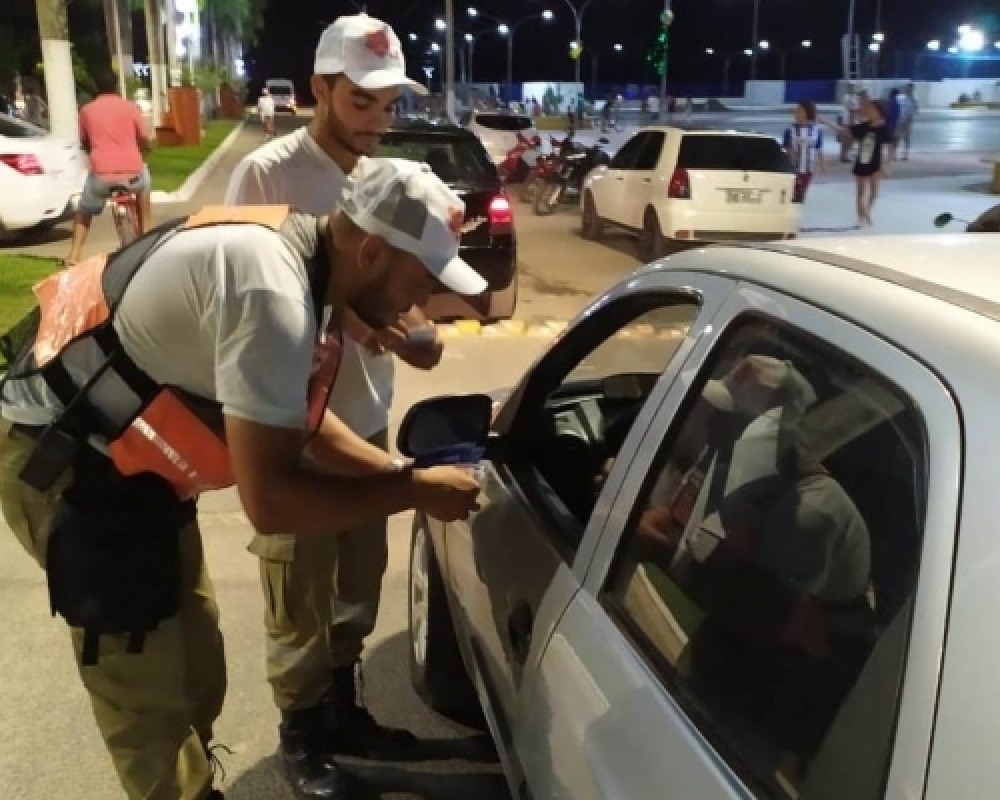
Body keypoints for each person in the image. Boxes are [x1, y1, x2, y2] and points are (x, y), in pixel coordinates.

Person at [0, 156, 487, 800]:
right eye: (422, 277)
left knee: (196, 661)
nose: (422, 301)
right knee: (145, 686)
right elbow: (273, 501)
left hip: (131, 466)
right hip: (65, 463)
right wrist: (411, 493)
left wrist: (402, 471)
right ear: (372, 251)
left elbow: (303, 425)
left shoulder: (303, 262)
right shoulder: (272, 291)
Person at [225, 13, 445, 797]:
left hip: (369, 406)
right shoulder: (268, 174)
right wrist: (355, 317)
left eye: (389, 106)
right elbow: (256, 296)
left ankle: (344, 709)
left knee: (360, 571)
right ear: (318, 89)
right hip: (295, 418)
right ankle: (301, 732)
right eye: (361, 103)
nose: (377, 123)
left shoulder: (382, 174)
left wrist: (414, 329)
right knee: (299, 585)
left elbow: (397, 280)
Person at [66, 67, 152, 266]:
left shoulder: (87, 111)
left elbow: (83, 140)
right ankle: (147, 238)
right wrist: (144, 150)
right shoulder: (130, 108)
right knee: (144, 187)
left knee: (84, 210)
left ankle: (74, 254)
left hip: (101, 177)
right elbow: (144, 138)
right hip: (133, 176)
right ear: (116, 86)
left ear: (96, 87)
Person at [827, 98, 892, 228]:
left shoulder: (884, 129)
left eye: (871, 109)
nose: (868, 111)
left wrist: (886, 165)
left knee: (874, 193)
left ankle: (867, 210)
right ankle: (861, 217)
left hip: (875, 163)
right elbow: (844, 131)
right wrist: (827, 123)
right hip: (861, 163)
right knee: (860, 193)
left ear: (879, 112)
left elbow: (890, 148)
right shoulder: (863, 127)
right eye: (868, 109)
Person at [783, 100, 825, 202]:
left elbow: (819, 149)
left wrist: (823, 165)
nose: (796, 113)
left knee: (801, 195)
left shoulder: (816, 130)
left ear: (807, 112)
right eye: (796, 111)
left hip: (808, 169)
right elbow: (789, 150)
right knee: (792, 195)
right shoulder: (790, 130)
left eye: (799, 111)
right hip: (793, 170)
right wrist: (790, 169)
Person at [895, 83, 919, 161]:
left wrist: (910, 119)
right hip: (898, 120)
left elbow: (915, 111)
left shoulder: (914, 100)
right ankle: (894, 153)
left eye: (911, 89)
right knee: (896, 137)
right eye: (908, 88)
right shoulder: (899, 98)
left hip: (907, 121)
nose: (909, 90)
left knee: (906, 138)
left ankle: (905, 154)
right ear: (905, 89)